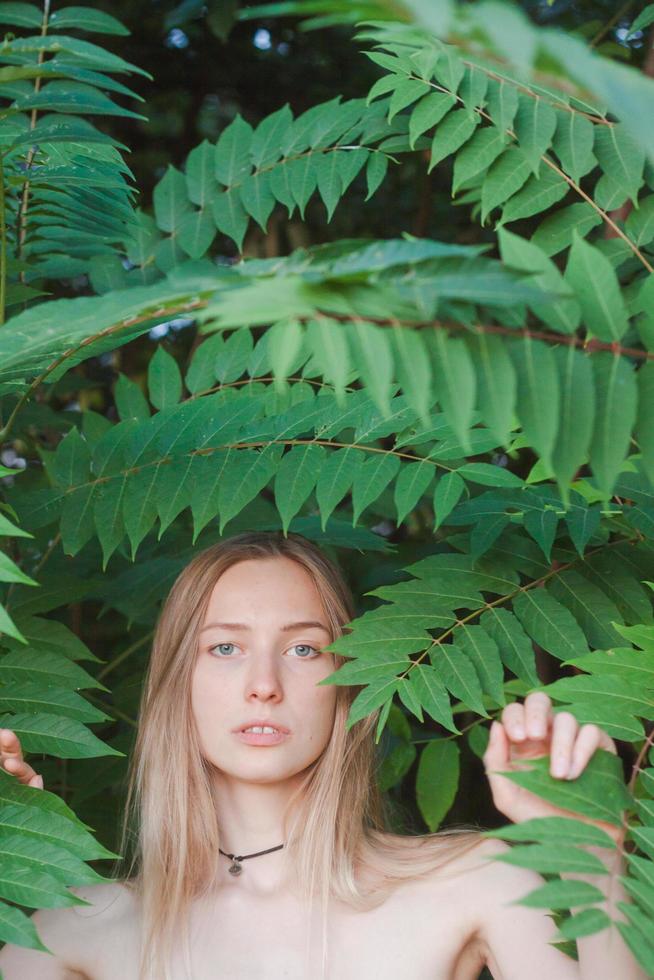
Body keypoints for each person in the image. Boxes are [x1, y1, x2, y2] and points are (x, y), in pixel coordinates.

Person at [0, 531, 645, 980]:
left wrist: (591, 862)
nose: (264, 683)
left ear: (349, 680)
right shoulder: (74, 924)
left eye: (304, 648)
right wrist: (17, 867)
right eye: (224, 647)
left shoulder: (472, 881)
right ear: (178, 681)